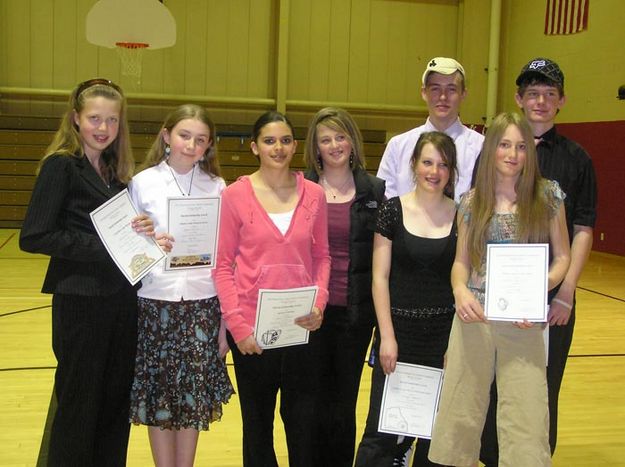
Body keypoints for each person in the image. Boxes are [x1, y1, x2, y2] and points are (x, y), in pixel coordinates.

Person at [19, 78, 157, 466]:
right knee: (79, 403)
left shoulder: (116, 176)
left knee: (115, 401)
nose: (103, 127)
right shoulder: (61, 166)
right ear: (75, 119)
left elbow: (122, 234)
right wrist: (103, 249)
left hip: (120, 303)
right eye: (94, 118)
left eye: (112, 120)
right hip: (80, 302)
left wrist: (140, 230)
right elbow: (34, 235)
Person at [428, 112, 571, 467]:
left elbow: (563, 257)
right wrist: (460, 290)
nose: (513, 154)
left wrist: (542, 288)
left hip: (523, 320)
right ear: (491, 148)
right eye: (505, 144)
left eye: (521, 146)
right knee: (460, 410)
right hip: (475, 317)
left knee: (527, 414)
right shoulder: (472, 201)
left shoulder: (548, 196)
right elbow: (461, 262)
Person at [478, 58, 598, 466]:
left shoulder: (577, 159)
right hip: (496, 299)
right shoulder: (494, 154)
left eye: (549, 94)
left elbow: (582, 228)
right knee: (495, 384)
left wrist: (564, 294)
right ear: (518, 98)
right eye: (532, 93)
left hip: (551, 297)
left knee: (543, 386)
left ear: (562, 101)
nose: (541, 101)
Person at [214, 111, 331, 467]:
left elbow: (323, 256)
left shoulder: (314, 194)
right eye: (269, 141)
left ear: (295, 145)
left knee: (301, 424)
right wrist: (238, 327)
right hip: (252, 333)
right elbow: (221, 267)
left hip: (300, 329)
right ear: (254, 147)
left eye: (284, 140)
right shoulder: (235, 196)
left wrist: (320, 304)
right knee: (258, 427)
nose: (277, 148)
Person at [128, 104, 234, 466]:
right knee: (159, 396)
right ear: (166, 136)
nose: (191, 145)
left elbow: (228, 255)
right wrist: (147, 241)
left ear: (209, 145)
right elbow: (128, 253)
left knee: (192, 395)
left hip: (203, 306)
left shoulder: (219, 186)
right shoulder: (142, 182)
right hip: (155, 303)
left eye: (200, 139)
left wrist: (225, 322)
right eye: (184, 135)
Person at [354, 132, 458, 467]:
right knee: (382, 432)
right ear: (414, 165)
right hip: (398, 336)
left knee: (433, 434)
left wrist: (456, 345)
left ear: (451, 171)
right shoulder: (391, 211)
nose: (434, 170)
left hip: (442, 339)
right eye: (427, 162)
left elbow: (462, 280)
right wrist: (386, 337)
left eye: (443, 164)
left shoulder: (462, 215)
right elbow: (379, 279)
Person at [303, 107, 385, 467]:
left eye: (340, 136)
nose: (334, 145)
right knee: (310, 401)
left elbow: (384, 257)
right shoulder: (301, 188)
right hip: (309, 313)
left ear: (352, 141)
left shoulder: (375, 191)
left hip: (354, 314)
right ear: (315, 148)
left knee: (342, 403)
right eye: (325, 139)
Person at [376, 57, 484, 202]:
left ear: (463, 94)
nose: (443, 96)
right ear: (423, 93)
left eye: (451, 89)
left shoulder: (481, 147)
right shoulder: (398, 146)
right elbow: (385, 201)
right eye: (435, 89)